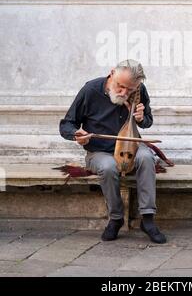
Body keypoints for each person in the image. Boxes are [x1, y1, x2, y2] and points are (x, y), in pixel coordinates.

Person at [59, 59, 166, 244]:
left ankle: (147, 219)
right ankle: (116, 218)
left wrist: (142, 118)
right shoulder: (90, 90)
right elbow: (67, 124)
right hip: (99, 151)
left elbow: (147, 121)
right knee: (109, 166)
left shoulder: (139, 91)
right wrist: (77, 134)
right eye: (120, 86)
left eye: (129, 89)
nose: (124, 92)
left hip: (130, 147)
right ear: (111, 74)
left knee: (147, 157)